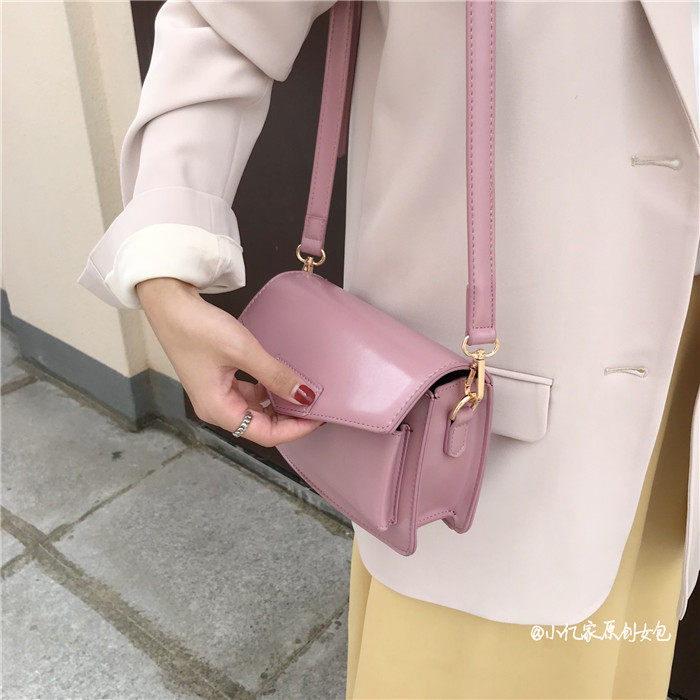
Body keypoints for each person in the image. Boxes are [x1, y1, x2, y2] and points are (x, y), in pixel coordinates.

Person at [80, 2, 700, 697]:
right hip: (482, 402)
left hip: (678, 360)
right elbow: (222, 21)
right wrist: (165, 266)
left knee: (632, 646)